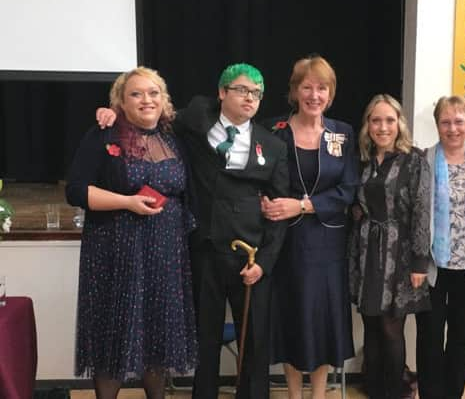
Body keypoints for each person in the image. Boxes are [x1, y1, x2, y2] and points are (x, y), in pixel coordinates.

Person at [96, 63, 290, 399]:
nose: (249, 98)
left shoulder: (272, 146)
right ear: (222, 92)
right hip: (203, 251)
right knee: (205, 340)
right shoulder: (194, 120)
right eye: (242, 90)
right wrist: (112, 113)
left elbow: (278, 209)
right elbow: (147, 112)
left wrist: (266, 261)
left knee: (255, 342)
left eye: (256, 93)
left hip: (251, 257)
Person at [66, 66, 198, 399]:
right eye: (135, 94)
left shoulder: (173, 137)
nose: (146, 100)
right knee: (114, 336)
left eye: (153, 93)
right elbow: (76, 191)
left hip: (165, 253)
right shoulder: (103, 135)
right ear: (120, 102)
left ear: (164, 99)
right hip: (115, 252)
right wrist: (126, 202)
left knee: (158, 337)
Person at [261, 55, 358, 399]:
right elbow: (259, 178)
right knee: (290, 318)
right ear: (294, 91)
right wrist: (265, 202)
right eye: (307, 87)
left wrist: (301, 205)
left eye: (322, 87)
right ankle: (293, 394)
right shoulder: (273, 130)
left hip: (326, 244)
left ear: (330, 94)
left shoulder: (343, 134)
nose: (314, 94)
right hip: (283, 243)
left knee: (320, 322)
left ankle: (317, 395)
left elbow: (348, 189)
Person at [348, 94, 431, 399]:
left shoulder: (414, 160)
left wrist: (420, 262)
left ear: (399, 124)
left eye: (389, 120)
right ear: (367, 125)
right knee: (370, 324)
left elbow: (423, 210)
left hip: (401, 254)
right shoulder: (364, 161)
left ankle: (395, 392)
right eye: (376, 120)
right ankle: (376, 390)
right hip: (368, 251)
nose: (382, 127)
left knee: (391, 327)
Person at [414, 96, 465, 399]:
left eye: (459, 121)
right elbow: (416, 214)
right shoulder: (424, 159)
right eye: (445, 122)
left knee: (461, 339)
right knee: (430, 338)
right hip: (433, 267)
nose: (452, 128)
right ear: (437, 125)